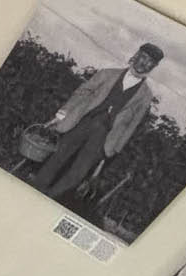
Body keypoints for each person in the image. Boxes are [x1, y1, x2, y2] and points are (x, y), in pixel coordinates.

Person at [33, 43, 164, 202]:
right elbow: (80, 94)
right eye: (143, 56)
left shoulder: (145, 96)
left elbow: (132, 125)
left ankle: (52, 198)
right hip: (83, 122)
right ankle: (34, 189)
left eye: (150, 61)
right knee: (58, 156)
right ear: (136, 55)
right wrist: (61, 115)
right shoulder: (107, 74)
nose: (144, 62)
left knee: (79, 172)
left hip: (105, 136)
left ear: (154, 66)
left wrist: (115, 149)